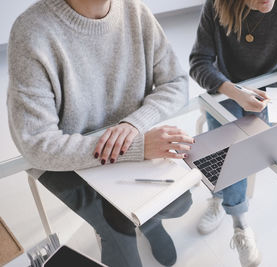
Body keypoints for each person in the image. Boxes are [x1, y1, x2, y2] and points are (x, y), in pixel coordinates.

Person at [7, 0, 194, 266]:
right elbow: (37, 144)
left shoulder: (135, 10)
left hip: (129, 137)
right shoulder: (32, 31)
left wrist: (134, 124)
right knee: (119, 233)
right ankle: (135, 223)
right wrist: (134, 148)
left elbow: (176, 82)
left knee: (180, 202)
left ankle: (150, 223)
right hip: (65, 161)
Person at [189, 0, 277, 266]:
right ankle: (239, 223)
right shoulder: (217, 6)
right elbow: (199, 63)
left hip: (275, 96)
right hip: (228, 90)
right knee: (230, 149)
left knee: (242, 152)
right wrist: (235, 93)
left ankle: (220, 195)